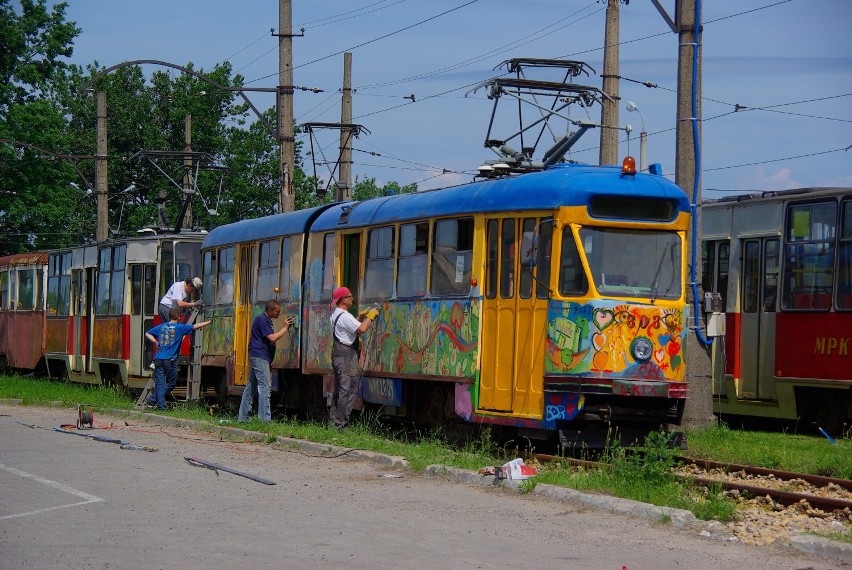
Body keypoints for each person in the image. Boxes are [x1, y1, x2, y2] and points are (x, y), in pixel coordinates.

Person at [329, 286, 378, 429]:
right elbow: (361, 329)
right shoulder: (345, 316)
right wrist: (370, 316)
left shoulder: (336, 314)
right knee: (349, 388)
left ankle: (334, 422)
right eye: (350, 296)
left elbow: (350, 327)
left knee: (339, 389)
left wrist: (361, 317)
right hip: (346, 356)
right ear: (344, 299)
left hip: (338, 354)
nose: (352, 298)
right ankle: (340, 424)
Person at [144, 308, 212, 410]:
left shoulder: (162, 326)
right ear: (179, 317)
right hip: (170, 360)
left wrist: (156, 342)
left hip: (158, 359)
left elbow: (147, 333)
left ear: (169, 316)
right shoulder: (179, 327)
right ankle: (157, 403)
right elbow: (195, 326)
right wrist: (208, 322)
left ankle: (155, 402)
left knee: (159, 384)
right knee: (171, 383)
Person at [238, 300, 294, 422]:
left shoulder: (266, 320)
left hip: (259, 355)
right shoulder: (262, 320)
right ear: (269, 310)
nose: (279, 314)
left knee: (251, 386)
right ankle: (264, 419)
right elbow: (272, 338)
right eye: (277, 311)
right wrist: (285, 327)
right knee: (265, 387)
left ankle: (243, 418)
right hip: (260, 356)